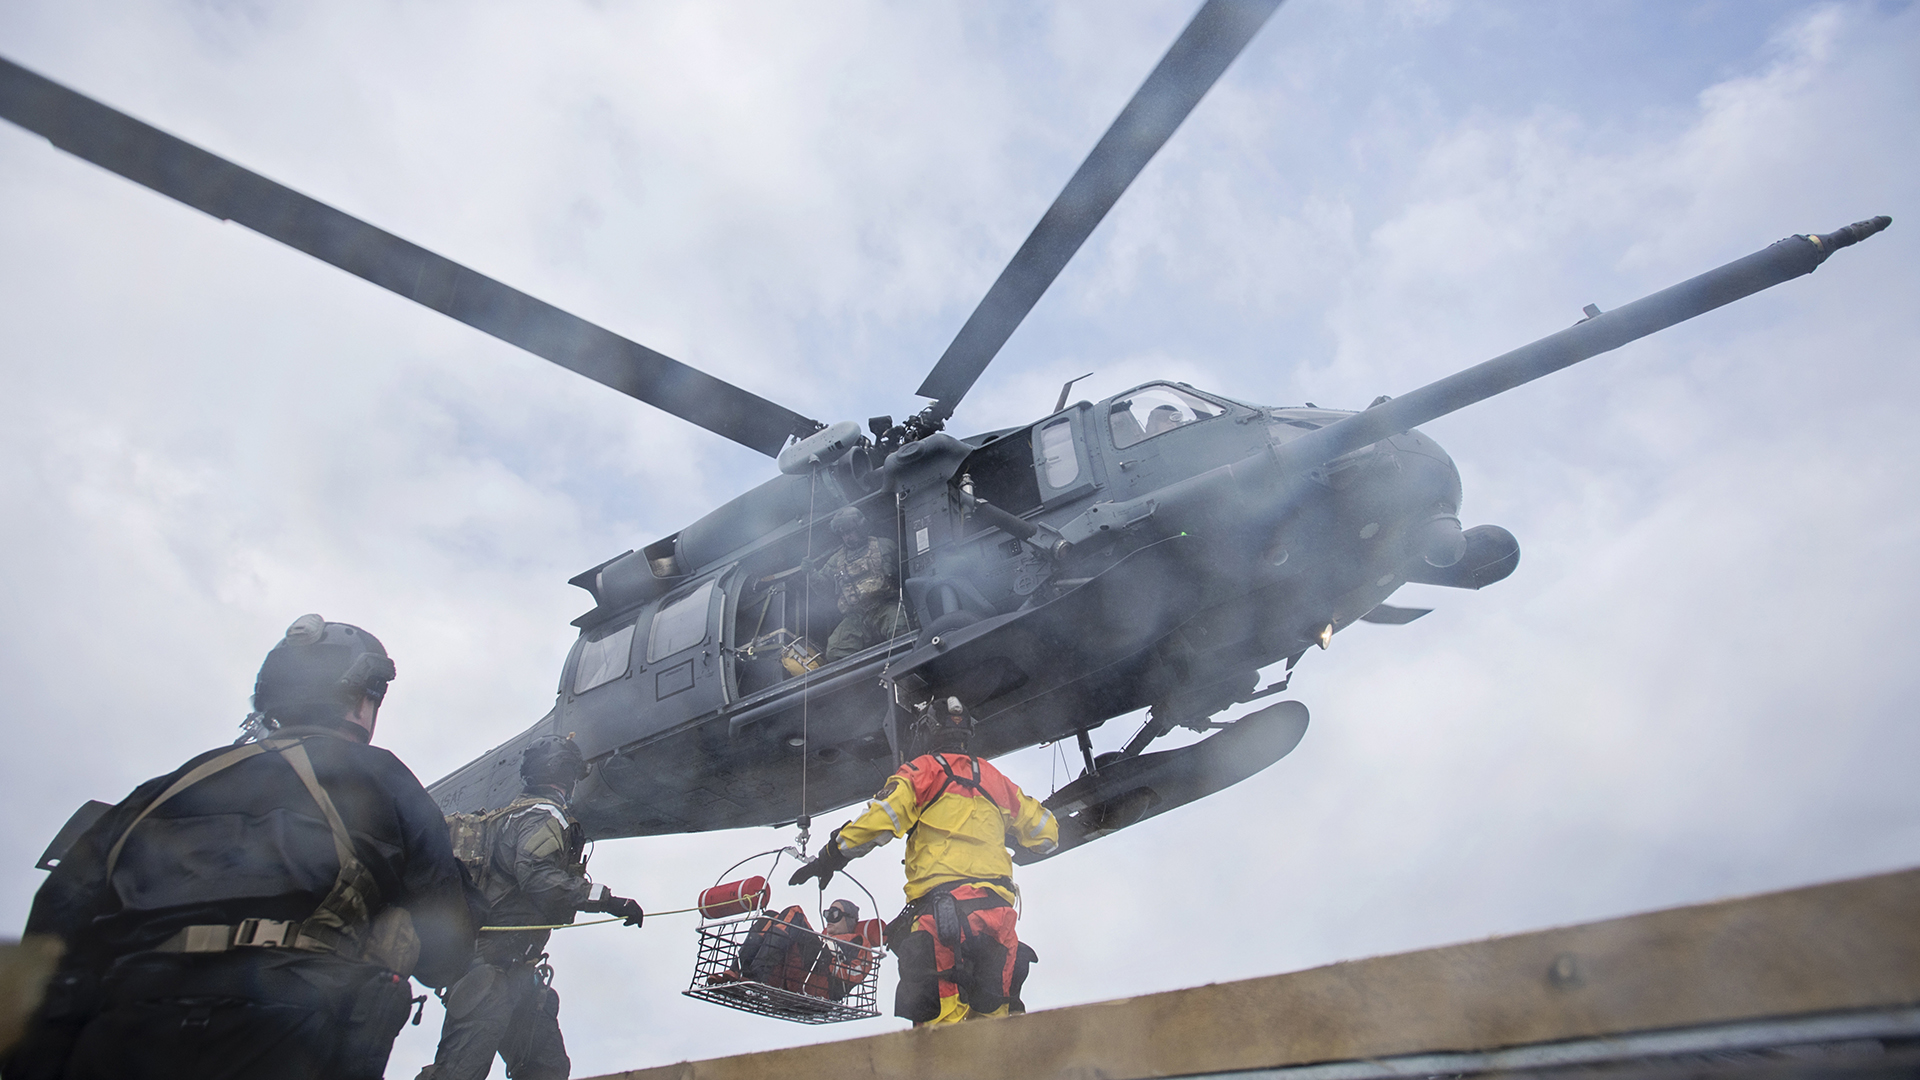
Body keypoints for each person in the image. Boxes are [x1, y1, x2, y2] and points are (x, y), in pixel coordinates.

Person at [4, 614, 474, 1080]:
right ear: (357, 698)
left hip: (119, 1029)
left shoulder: (158, 793)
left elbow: (52, 942)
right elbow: (445, 954)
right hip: (287, 1033)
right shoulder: (384, 780)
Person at [789, 697, 1058, 1025]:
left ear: (927, 731)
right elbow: (1047, 834)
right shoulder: (995, 779)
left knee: (939, 1033)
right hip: (997, 916)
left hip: (944, 918)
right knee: (993, 1030)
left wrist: (830, 856)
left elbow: (878, 821)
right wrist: (1006, 834)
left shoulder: (922, 772)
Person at [416, 737, 643, 1080]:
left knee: (546, 1070)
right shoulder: (544, 815)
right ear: (566, 776)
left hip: (511, 975)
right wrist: (608, 901)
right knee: (462, 1074)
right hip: (492, 977)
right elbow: (537, 876)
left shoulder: (507, 816)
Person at [810, 506, 906, 662]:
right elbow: (825, 590)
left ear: (861, 528)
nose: (847, 537)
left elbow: (906, 570)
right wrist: (811, 574)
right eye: (842, 534)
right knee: (835, 651)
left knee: (902, 629)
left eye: (850, 531)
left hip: (884, 608)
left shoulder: (885, 546)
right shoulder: (835, 561)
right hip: (856, 617)